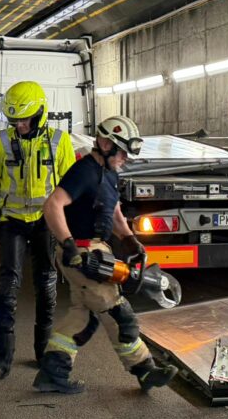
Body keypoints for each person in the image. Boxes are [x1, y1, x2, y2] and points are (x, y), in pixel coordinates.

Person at [35, 115, 178, 395]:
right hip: (82, 254)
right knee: (118, 312)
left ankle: (52, 372)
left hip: (97, 249)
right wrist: (69, 244)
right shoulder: (84, 171)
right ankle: (145, 370)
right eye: (122, 151)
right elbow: (53, 205)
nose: (126, 157)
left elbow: (112, 211)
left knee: (83, 317)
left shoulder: (110, 173)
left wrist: (130, 239)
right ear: (104, 143)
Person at [0, 81, 76, 380]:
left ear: (41, 114)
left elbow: (70, 188)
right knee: (7, 288)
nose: (20, 125)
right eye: (15, 120)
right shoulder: (0, 141)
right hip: (13, 220)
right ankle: (2, 359)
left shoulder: (59, 140)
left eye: (25, 119)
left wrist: (72, 232)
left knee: (46, 286)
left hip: (46, 221)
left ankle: (43, 352)